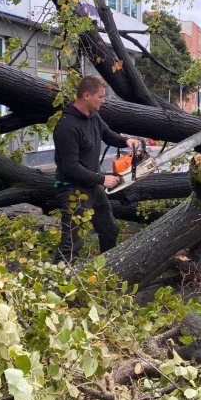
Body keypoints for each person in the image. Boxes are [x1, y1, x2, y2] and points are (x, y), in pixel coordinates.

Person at [52, 75, 141, 262]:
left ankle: (105, 269)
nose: (103, 101)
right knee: (72, 244)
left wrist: (126, 141)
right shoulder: (67, 126)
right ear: (86, 95)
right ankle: (55, 285)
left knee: (109, 229)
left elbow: (108, 135)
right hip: (72, 190)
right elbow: (70, 167)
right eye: (100, 97)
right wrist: (102, 179)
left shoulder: (93, 117)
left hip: (91, 186)